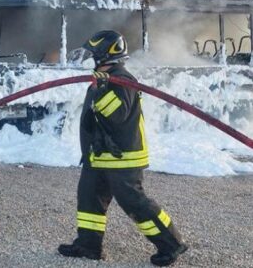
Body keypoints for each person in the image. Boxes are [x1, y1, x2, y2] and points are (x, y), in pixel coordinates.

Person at [58, 31, 187, 266]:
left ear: (104, 55)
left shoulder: (123, 80)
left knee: (133, 202)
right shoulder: (106, 78)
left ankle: (171, 244)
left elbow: (117, 116)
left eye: (93, 54)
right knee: (89, 199)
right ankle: (88, 245)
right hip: (99, 155)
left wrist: (101, 90)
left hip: (122, 157)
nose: (89, 59)